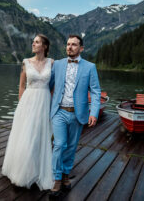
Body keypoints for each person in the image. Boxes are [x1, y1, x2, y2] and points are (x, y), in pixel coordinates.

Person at [49, 34, 101, 196]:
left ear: (81, 48)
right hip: (59, 111)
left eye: (74, 45)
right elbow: (48, 86)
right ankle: (57, 178)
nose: (69, 47)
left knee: (71, 148)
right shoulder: (57, 65)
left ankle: (65, 175)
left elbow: (95, 91)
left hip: (78, 114)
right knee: (59, 144)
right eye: (68, 44)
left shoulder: (90, 67)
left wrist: (94, 112)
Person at [2, 34, 54, 190]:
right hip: (28, 101)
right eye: (33, 41)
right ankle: (22, 171)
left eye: (37, 42)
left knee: (40, 134)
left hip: (44, 101)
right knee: (27, 133)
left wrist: (50, 101)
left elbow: (54, 86)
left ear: (44, 46)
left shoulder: (52, 63)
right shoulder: (25, 62)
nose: (33, 43)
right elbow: (21, 86)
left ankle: (38, 169)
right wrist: (21, 106)